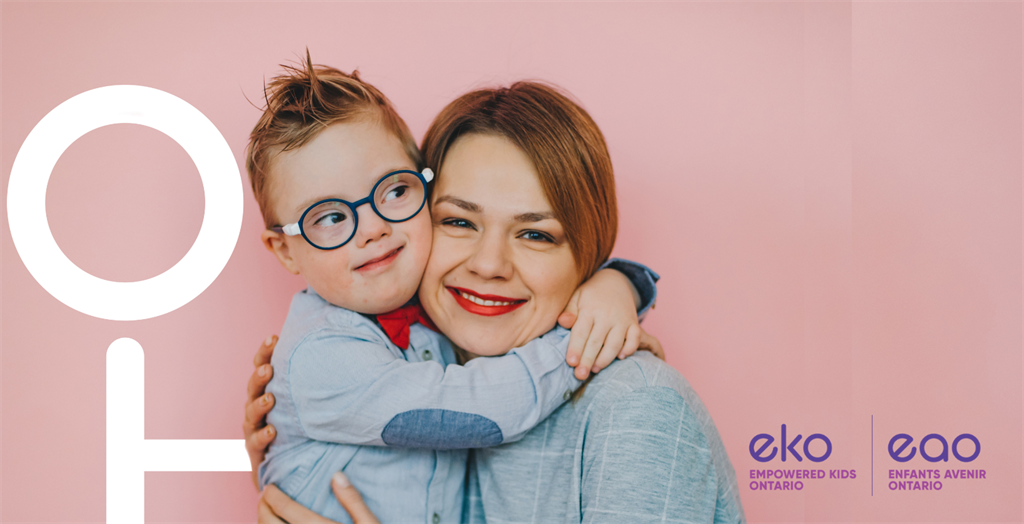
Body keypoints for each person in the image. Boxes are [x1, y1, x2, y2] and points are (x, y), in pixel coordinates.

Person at [245, 81, 746, 523]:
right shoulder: (394, 355)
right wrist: (298, 462)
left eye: (535, 234)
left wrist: (618, 288)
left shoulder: (636, 409)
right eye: (459, 222)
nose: (489, 265)